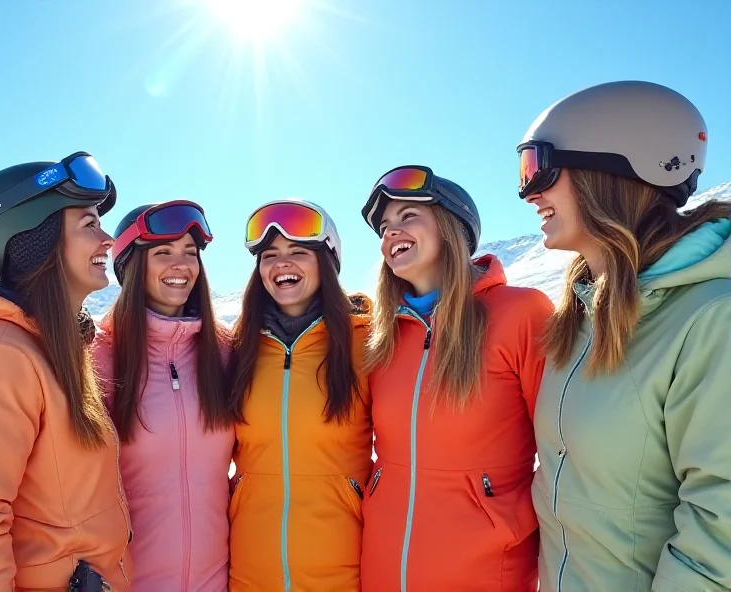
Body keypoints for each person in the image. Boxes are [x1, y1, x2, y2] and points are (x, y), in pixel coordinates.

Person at [518, 80, 731, 591]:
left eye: (538, 167)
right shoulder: (580, 316)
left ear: (610, 170)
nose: (529, 193)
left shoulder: (709, 317)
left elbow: (719, 532)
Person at [0, 152, 133, 590]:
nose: (108, 239)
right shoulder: (1, 358)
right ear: (36, 241)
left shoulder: (56, 347)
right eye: (89, 225)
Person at [358, 167, 554, 591]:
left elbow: (567, 448)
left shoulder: (521, 313)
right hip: (384, 562)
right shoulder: (382, 335)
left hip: (485, 567)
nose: (392, 233)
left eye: (408, 216)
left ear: (453, 227)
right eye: (385, 227)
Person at [227, 198, 373, 591]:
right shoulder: (236, 350)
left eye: (297, 252)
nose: (281, 264)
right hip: (250, 570)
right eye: (269, 255)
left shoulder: (367, 343)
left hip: (344, 568)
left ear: (327, 261)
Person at [92, 200, 235, 591]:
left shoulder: (223, 352)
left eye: (191, 253)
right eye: (163, 253)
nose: (182, 265)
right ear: (131, 267)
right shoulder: (99, 356)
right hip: (130, 581)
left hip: (217, 580)